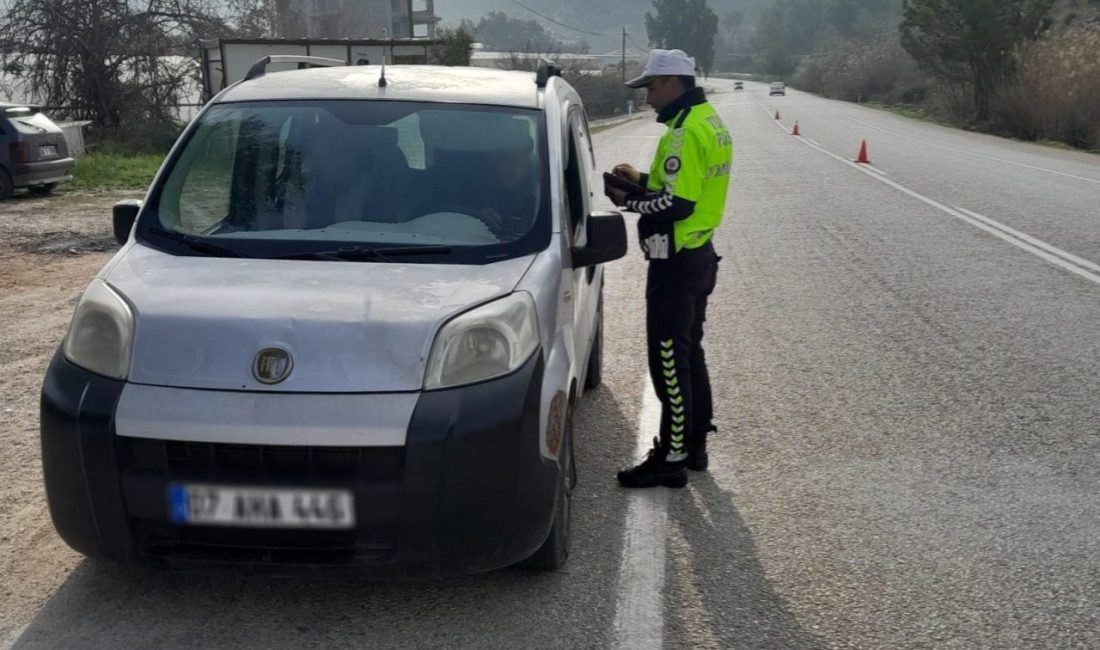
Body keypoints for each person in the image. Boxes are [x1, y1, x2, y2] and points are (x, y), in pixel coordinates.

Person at [605, 49, 733, 488]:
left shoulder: (681, 134)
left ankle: (671, 457)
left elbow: (676, 204)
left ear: (673, 84)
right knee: (690, 354)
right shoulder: (708, 122)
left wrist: (628, 200)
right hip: (699, 254)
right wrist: (641, 178)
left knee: (668, 361)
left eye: (651, 88)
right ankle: (694, 445)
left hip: (675, 262)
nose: (647, 99)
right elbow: (684, 186)